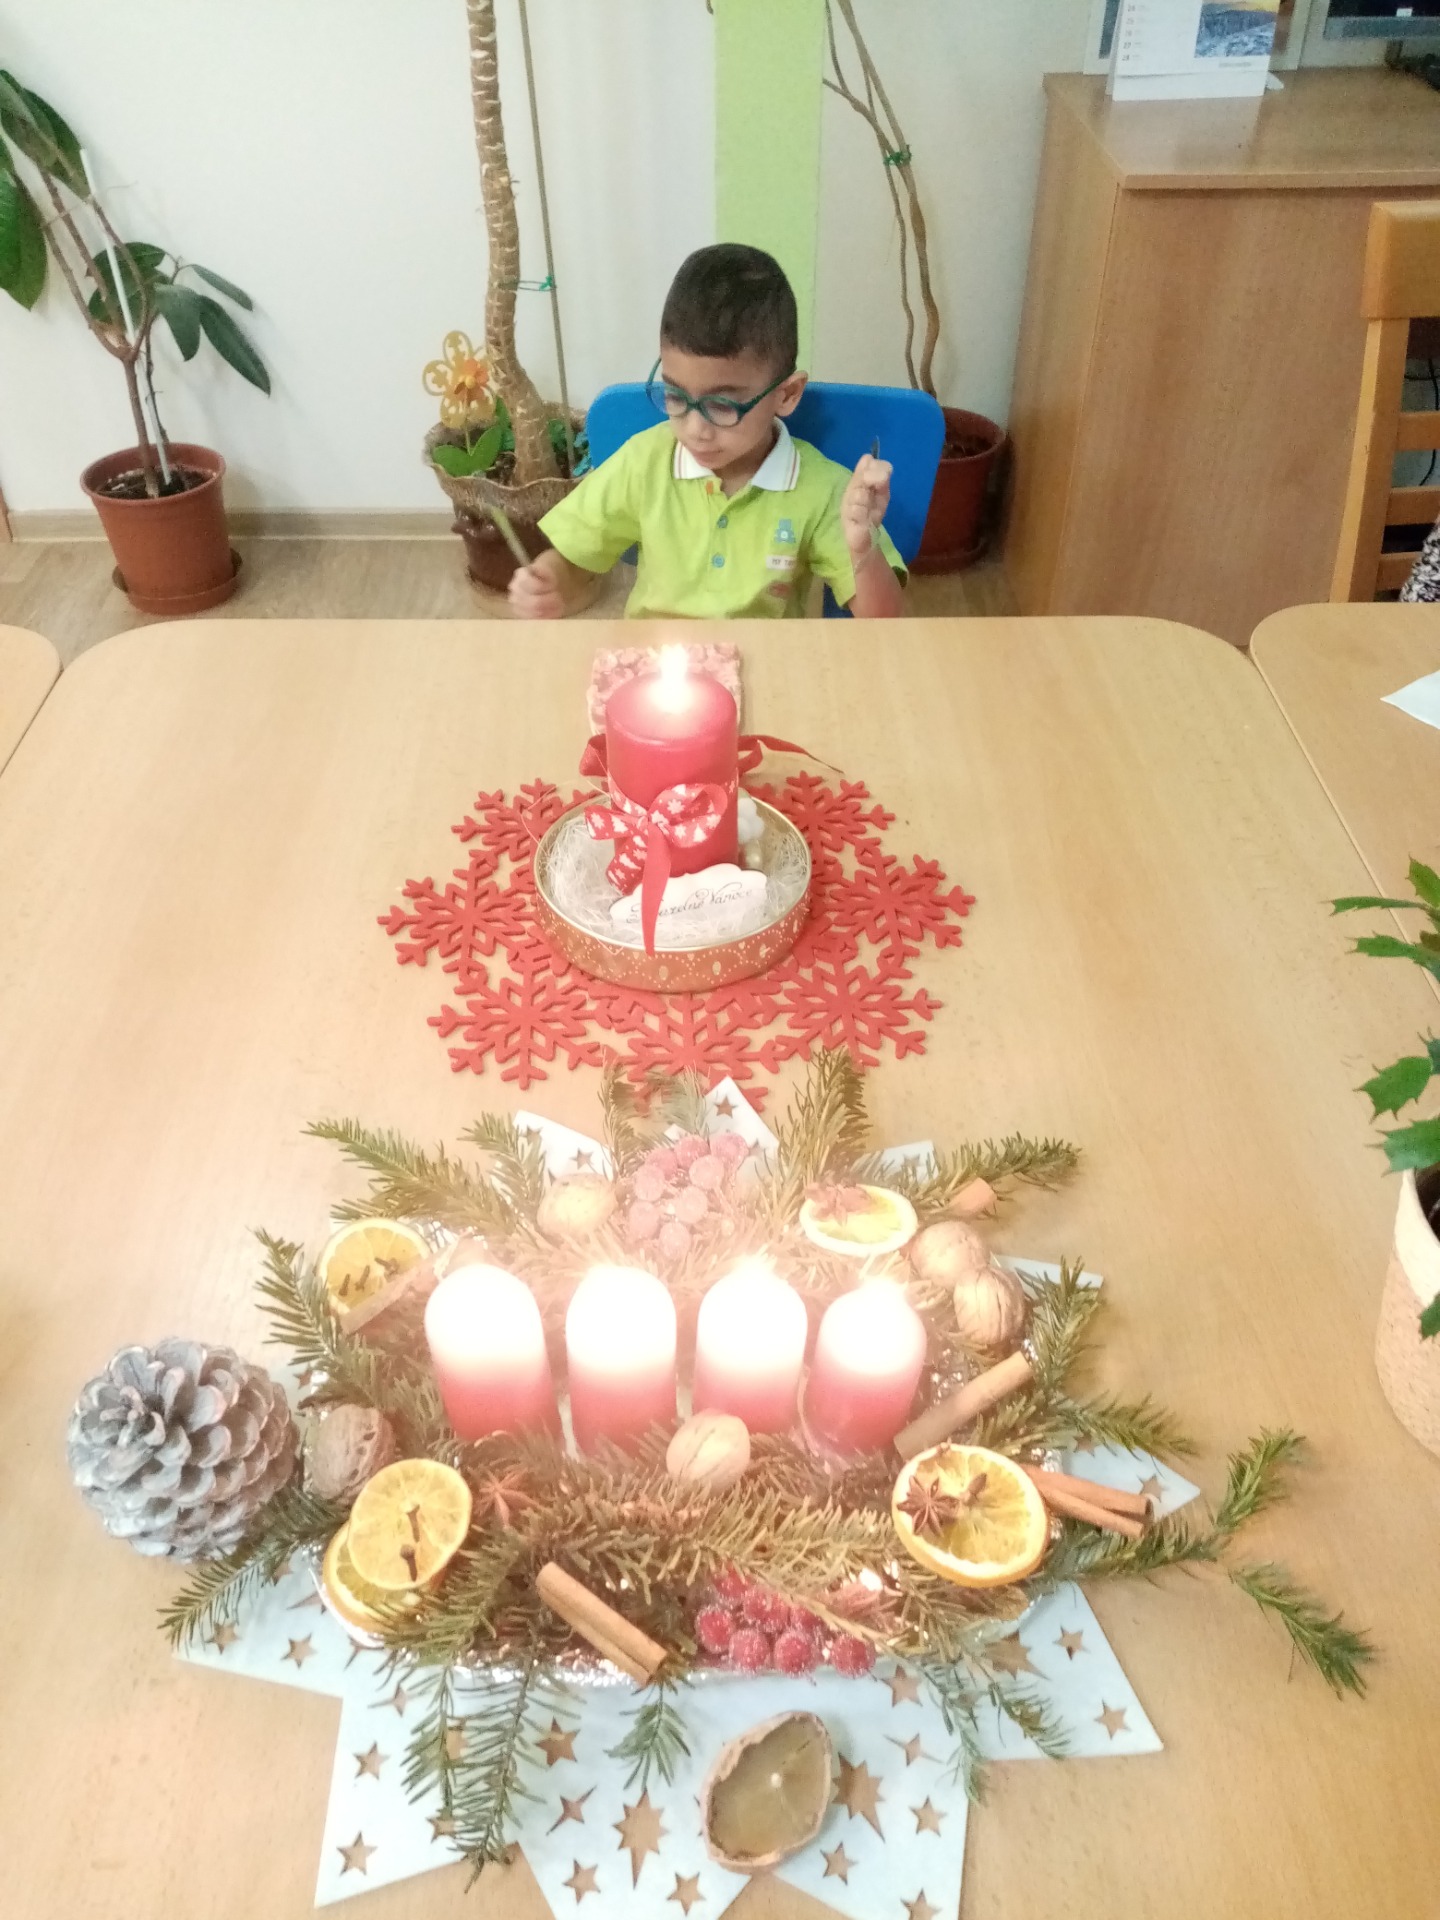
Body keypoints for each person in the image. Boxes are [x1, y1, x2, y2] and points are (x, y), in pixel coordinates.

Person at [508, 244, 906, 621]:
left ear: (786, 395)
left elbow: (883, 620)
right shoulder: (644, 462)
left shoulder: (822, 489)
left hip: (765, 661)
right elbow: (575, 560)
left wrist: (862, 548)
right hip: (654, 659)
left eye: (722, 406)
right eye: (675, 396)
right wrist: (549, 579)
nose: (696, 429)